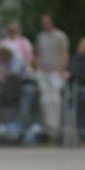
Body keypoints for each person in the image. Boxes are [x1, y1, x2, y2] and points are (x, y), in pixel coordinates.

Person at [35, 13, 69, 143]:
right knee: (44, 100)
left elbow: (65, 52)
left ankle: (56, 129)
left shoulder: (60, 36)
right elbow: (38, 54)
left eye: (46, 22)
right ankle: (48, 129)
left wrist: (62, 68)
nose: (44, 24)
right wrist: (38, 68)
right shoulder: (40, 37)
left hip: (56, 72)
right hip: (44, 72)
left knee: (55, 100)